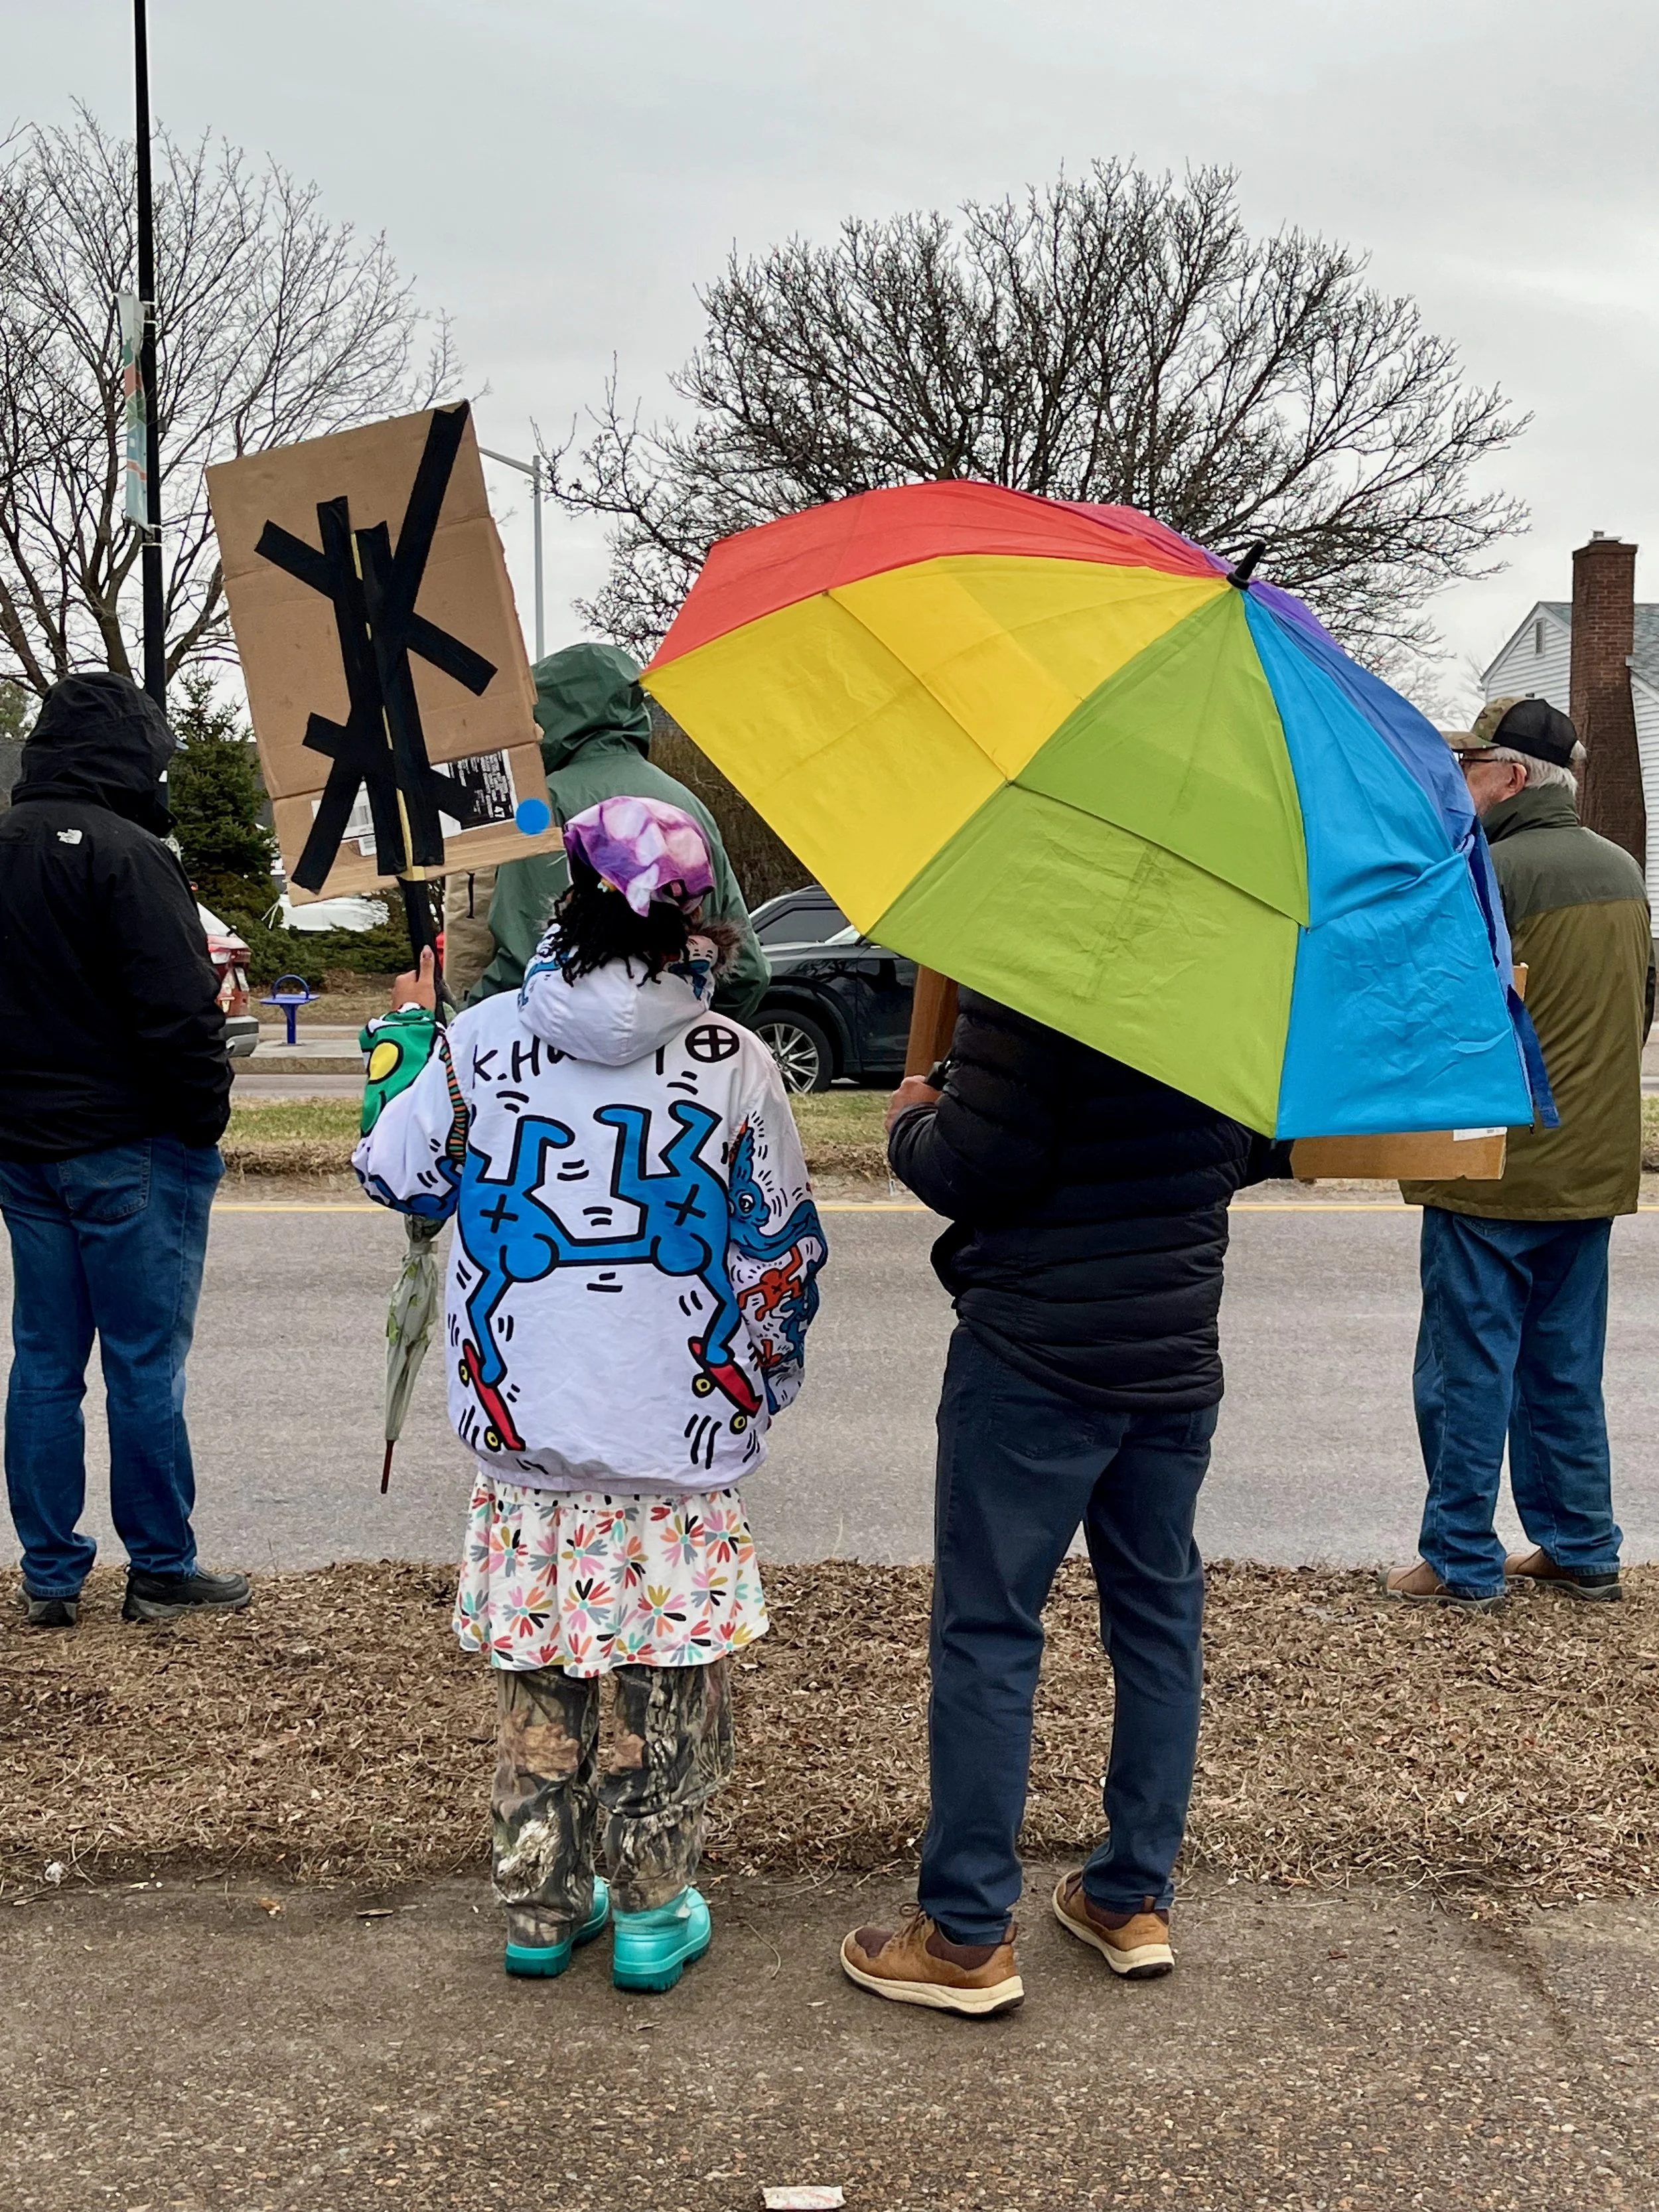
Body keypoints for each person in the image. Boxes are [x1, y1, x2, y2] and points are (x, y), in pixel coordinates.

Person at [356, 795, 825, 1992]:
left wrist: (410, 1048)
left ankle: (537, 1904)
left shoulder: (484, 1038)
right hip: (675, 1445)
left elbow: (398, 1176)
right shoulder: (735, 1062)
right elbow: (781, 1252)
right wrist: (760, 1389)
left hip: (530, 1444)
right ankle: (655, 1910)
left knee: (540, 1685)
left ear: (565, 893)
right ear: (694, 912)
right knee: (671, 1691)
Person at [839, 994, 1289, 2017]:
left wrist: (912, 1118)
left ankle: (964, 1932)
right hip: (1173, 1361)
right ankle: (1131, 1896)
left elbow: (974, 1165)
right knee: (1159, 1624)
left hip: (1033, 1359)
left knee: (990, 1630)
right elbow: (1261, 1146)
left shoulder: (1040, 979)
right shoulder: (1225, 975)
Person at [1386, 697, 1653, 1613]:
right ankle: (1582, 1544)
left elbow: (1436, 1008)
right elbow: (1637, 1012)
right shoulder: (1623, 871)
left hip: (1494, 1166)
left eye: (1469, 767)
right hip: (1592, 1168)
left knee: (1467, 1369)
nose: (1459, 783)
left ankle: (1461, 1558)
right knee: (1565, 1367)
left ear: (1509, 776)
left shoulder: (1483, 870)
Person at [0, 672, 250, 1629]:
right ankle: (159, 1565)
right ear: (131, 751)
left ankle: (50, 1572)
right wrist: (203, 1120)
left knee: (45, 1360)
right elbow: (178, 1011)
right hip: (130, 1141)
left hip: (27, 1147)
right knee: (144, 1363)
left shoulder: (10, 842)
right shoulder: (129, 852)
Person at [467, 641, 769, 1019]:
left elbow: (522, 959)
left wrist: (455, 1025)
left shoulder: (540, 808)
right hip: (678, 1063)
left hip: (562, 1062)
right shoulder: (689, 806)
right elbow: (748, 973)